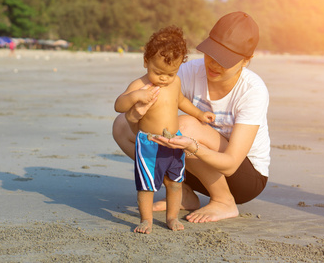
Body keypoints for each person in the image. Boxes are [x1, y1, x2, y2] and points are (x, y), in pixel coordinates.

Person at [112, 12, 270, 224]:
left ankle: (223, 200)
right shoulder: (188, 72)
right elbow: (141, 119)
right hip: (196, 166)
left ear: (245, 60)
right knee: (121, 125)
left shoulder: (252, 90)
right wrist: (133, 118)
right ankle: (181, 191)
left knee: (183, 126)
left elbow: (231, 164)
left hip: (242, 177)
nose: (214, 64)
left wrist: (191, 146)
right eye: (211, 54)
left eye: (225, 60)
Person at [114, 26, 215, 234]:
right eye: (158, 72)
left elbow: (182, 101)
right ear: (146, 62)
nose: (164, 78)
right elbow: (119, 105)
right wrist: (135, 97)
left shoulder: (175, 82)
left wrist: (199, 114)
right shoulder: (140, 85)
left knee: (175, 183)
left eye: (170, 73)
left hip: (174, 141)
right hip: (149, 143)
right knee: (146, 186)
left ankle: (171, 217)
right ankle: (146, 220)